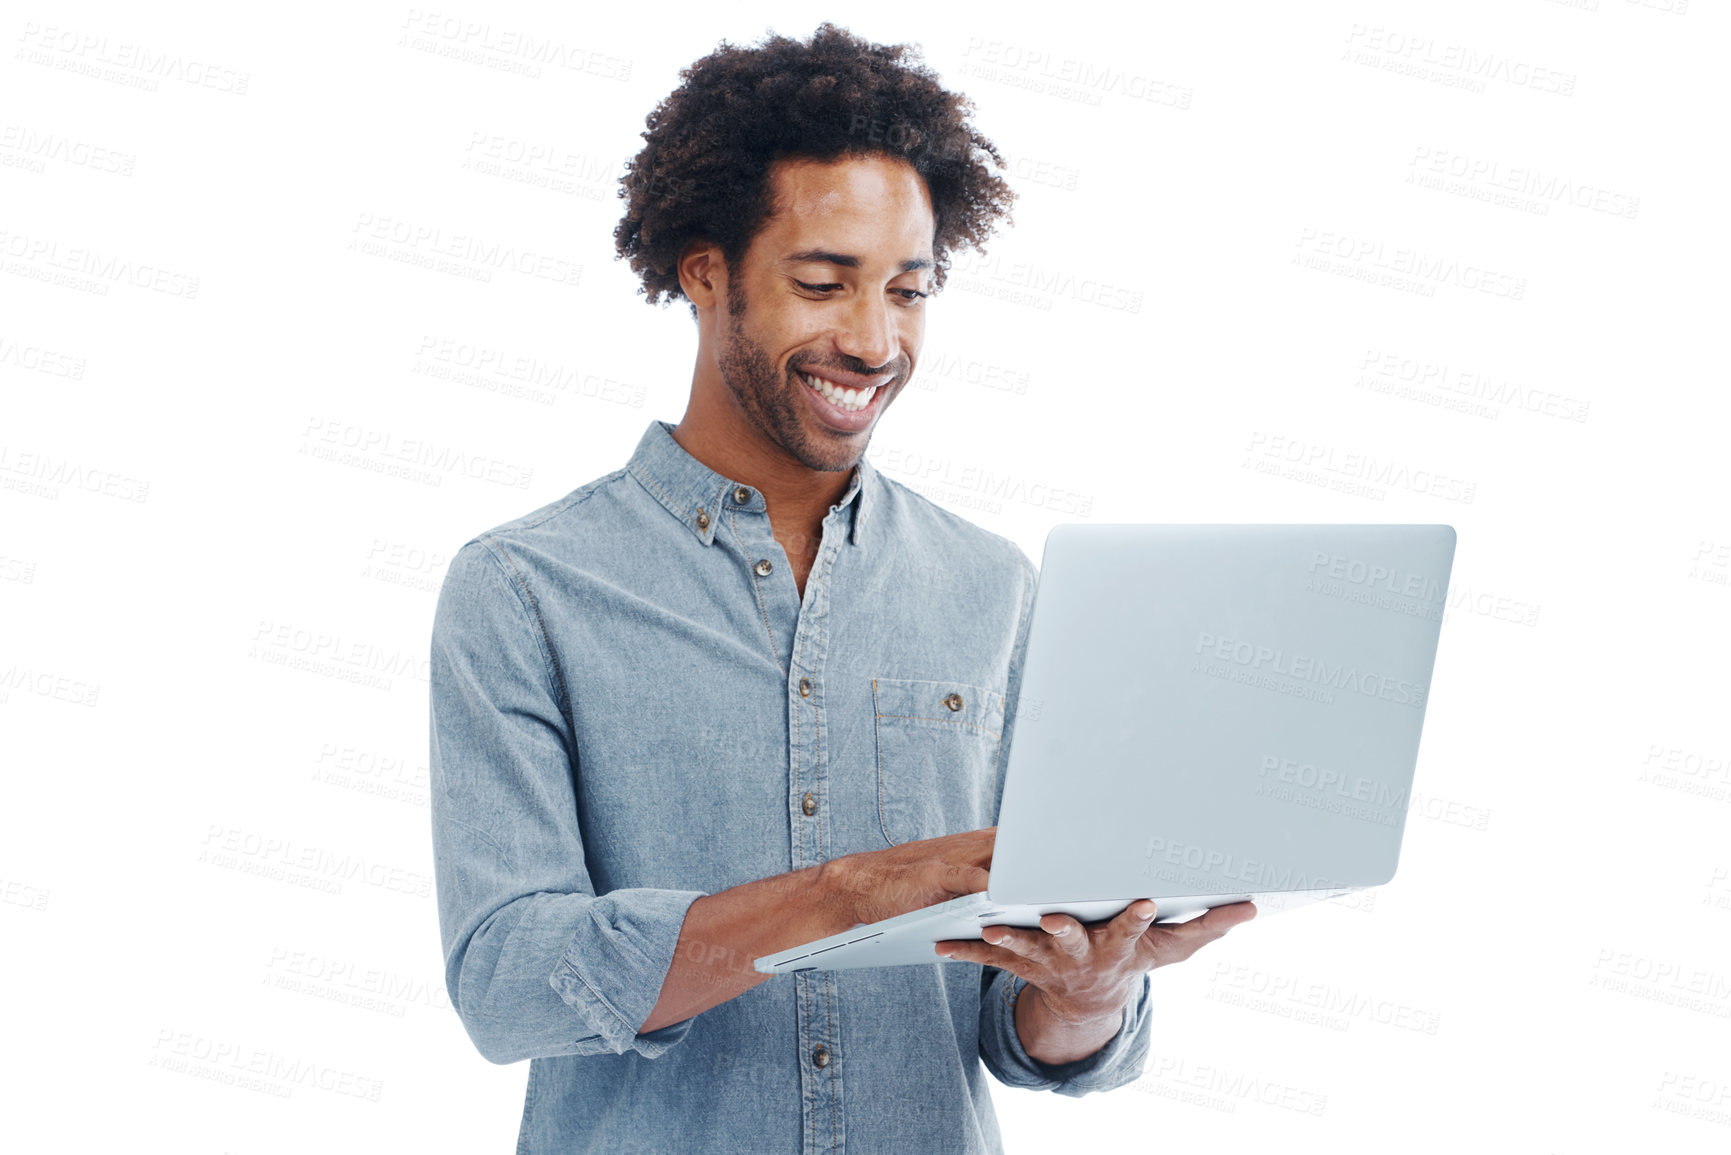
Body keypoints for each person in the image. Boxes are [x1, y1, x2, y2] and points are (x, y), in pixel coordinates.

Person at [428, 23, 1255, 1153]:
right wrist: (851, 894)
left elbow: (1016, 1025)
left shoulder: (990, 588)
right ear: (706, 270)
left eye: (909, 292)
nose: (873, 341)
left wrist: (1087, 992)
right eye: (825, 284)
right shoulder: (525, 589)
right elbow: (506, 981)